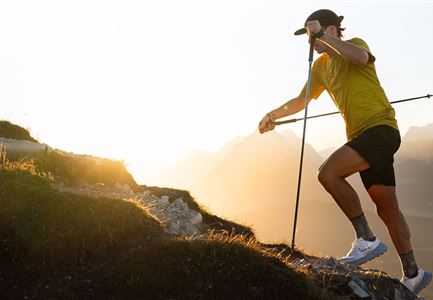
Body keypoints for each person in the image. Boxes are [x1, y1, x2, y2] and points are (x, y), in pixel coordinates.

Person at [258, 9, 431, 295]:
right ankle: (413, 273)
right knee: (388, 209)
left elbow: (361, 58)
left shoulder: (356, 45)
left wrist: (323, 36)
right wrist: (273, 114)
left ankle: (366, 239)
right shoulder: (321, 68)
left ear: (331, 29)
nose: (310, 42)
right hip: (363, 137)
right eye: (309, 38)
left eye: (312, 35)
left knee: (328, 173)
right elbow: (302, 99)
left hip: (381, 130)